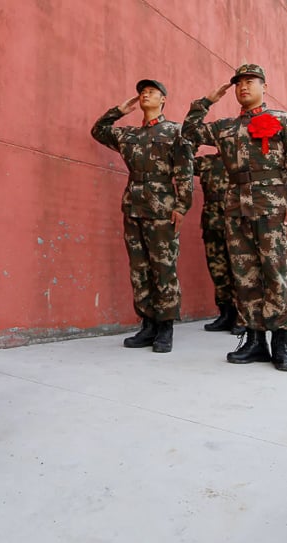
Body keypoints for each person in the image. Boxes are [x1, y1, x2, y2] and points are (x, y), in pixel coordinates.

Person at [181, 64, 287, 372]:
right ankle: (254, 341)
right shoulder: (225, 126)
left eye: (250, 81)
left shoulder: (282, 120)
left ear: (264, 87)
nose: (243, 87)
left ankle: (280, 342)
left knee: (275, 273)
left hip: (273, 206)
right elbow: (189, 133)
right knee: (245, 275)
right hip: (236, 205)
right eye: (239, 83)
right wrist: (206, 101)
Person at [91, 79, 194, 353]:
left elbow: (184, 171)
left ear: (163, 100)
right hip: (133, 205)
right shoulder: (129, 135)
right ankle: (147, 324)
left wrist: (182, 206)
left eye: (152, 91)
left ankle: (165, 327)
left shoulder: (175, 131)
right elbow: (98, 131)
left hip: (162, 207)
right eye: (142, 92)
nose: (145, 94)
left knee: (163, 266)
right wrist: (119, 111)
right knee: (139, 268)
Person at [195, 152, 242, 334]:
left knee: (239, 271)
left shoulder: (241, 159)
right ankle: (225, 313)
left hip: (236, 225)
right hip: (212, 223)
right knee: (217, 270)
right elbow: (182, 161)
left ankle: (242, 316)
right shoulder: (207, 162)